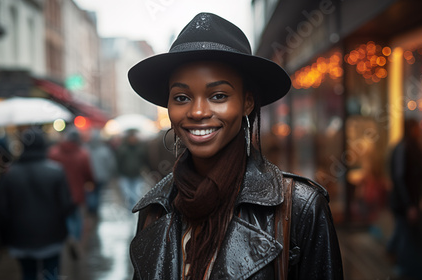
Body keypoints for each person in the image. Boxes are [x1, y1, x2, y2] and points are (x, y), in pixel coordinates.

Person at [127, 13, 343, 279]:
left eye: (218, 96)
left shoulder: (298, 207)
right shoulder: (154, 209)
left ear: (247, 103)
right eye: (181, 97)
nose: (197, 112)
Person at [0, 128, 73, 280]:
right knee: (51, 274)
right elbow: (66, 205)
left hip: (21, 237)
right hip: (52, 235)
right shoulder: (56, 171)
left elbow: (1, 209)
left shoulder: (10, 174)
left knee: (28, 274)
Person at [388, 118, 422, 279]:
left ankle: (394, 253)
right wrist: (409, 204)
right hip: (405, 202)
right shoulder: (404, 148)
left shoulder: (410, 147)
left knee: (403, 231)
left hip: (408, 201)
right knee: (405, 233)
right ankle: (404, 267)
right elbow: (399, 177)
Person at [48, 126, 94, 246]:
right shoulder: (83, 154)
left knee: (65, 217)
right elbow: (88, 174)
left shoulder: (54, 152)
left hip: (59, 193)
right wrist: (90, 182)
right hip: (77, 192)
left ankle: (69, 237)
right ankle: (76, 239)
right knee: (77, 216)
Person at [115, 129, 149, 210]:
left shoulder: (140, 148)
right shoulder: (122, 149)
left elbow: (144, 160)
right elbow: (118, 161)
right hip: (125, 175)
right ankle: (130, 208)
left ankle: (134, 208)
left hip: (137, 174)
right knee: (127, 194)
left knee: (136, 194)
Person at [86, 129, 117, 216]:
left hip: (90, 177)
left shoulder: (86, 149)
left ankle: (92, 209)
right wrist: (109, 174)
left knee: (91, 193)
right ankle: (94, 208)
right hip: (101, 177)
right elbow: (110, 164)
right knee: (97, 193)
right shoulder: (105, 150)